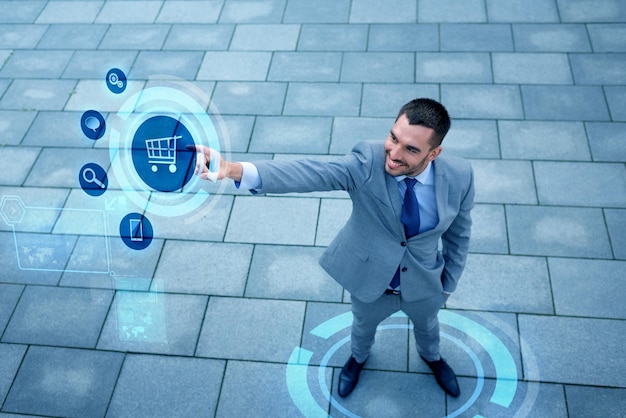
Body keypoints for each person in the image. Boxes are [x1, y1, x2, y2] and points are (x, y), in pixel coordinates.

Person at [191, 98, 474, 398]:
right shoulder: (367, 161)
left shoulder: (459, 176)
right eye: (393, 138)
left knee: (429, 327)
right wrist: (233, 170)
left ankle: (432, 358)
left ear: (434, 153)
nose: (393, 153)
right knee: (362, 328)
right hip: (370, 281)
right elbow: (309, 172)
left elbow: (459, 235)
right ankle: (357, 359)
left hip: (425, 282)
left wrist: (448, 283)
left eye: (411, 149)